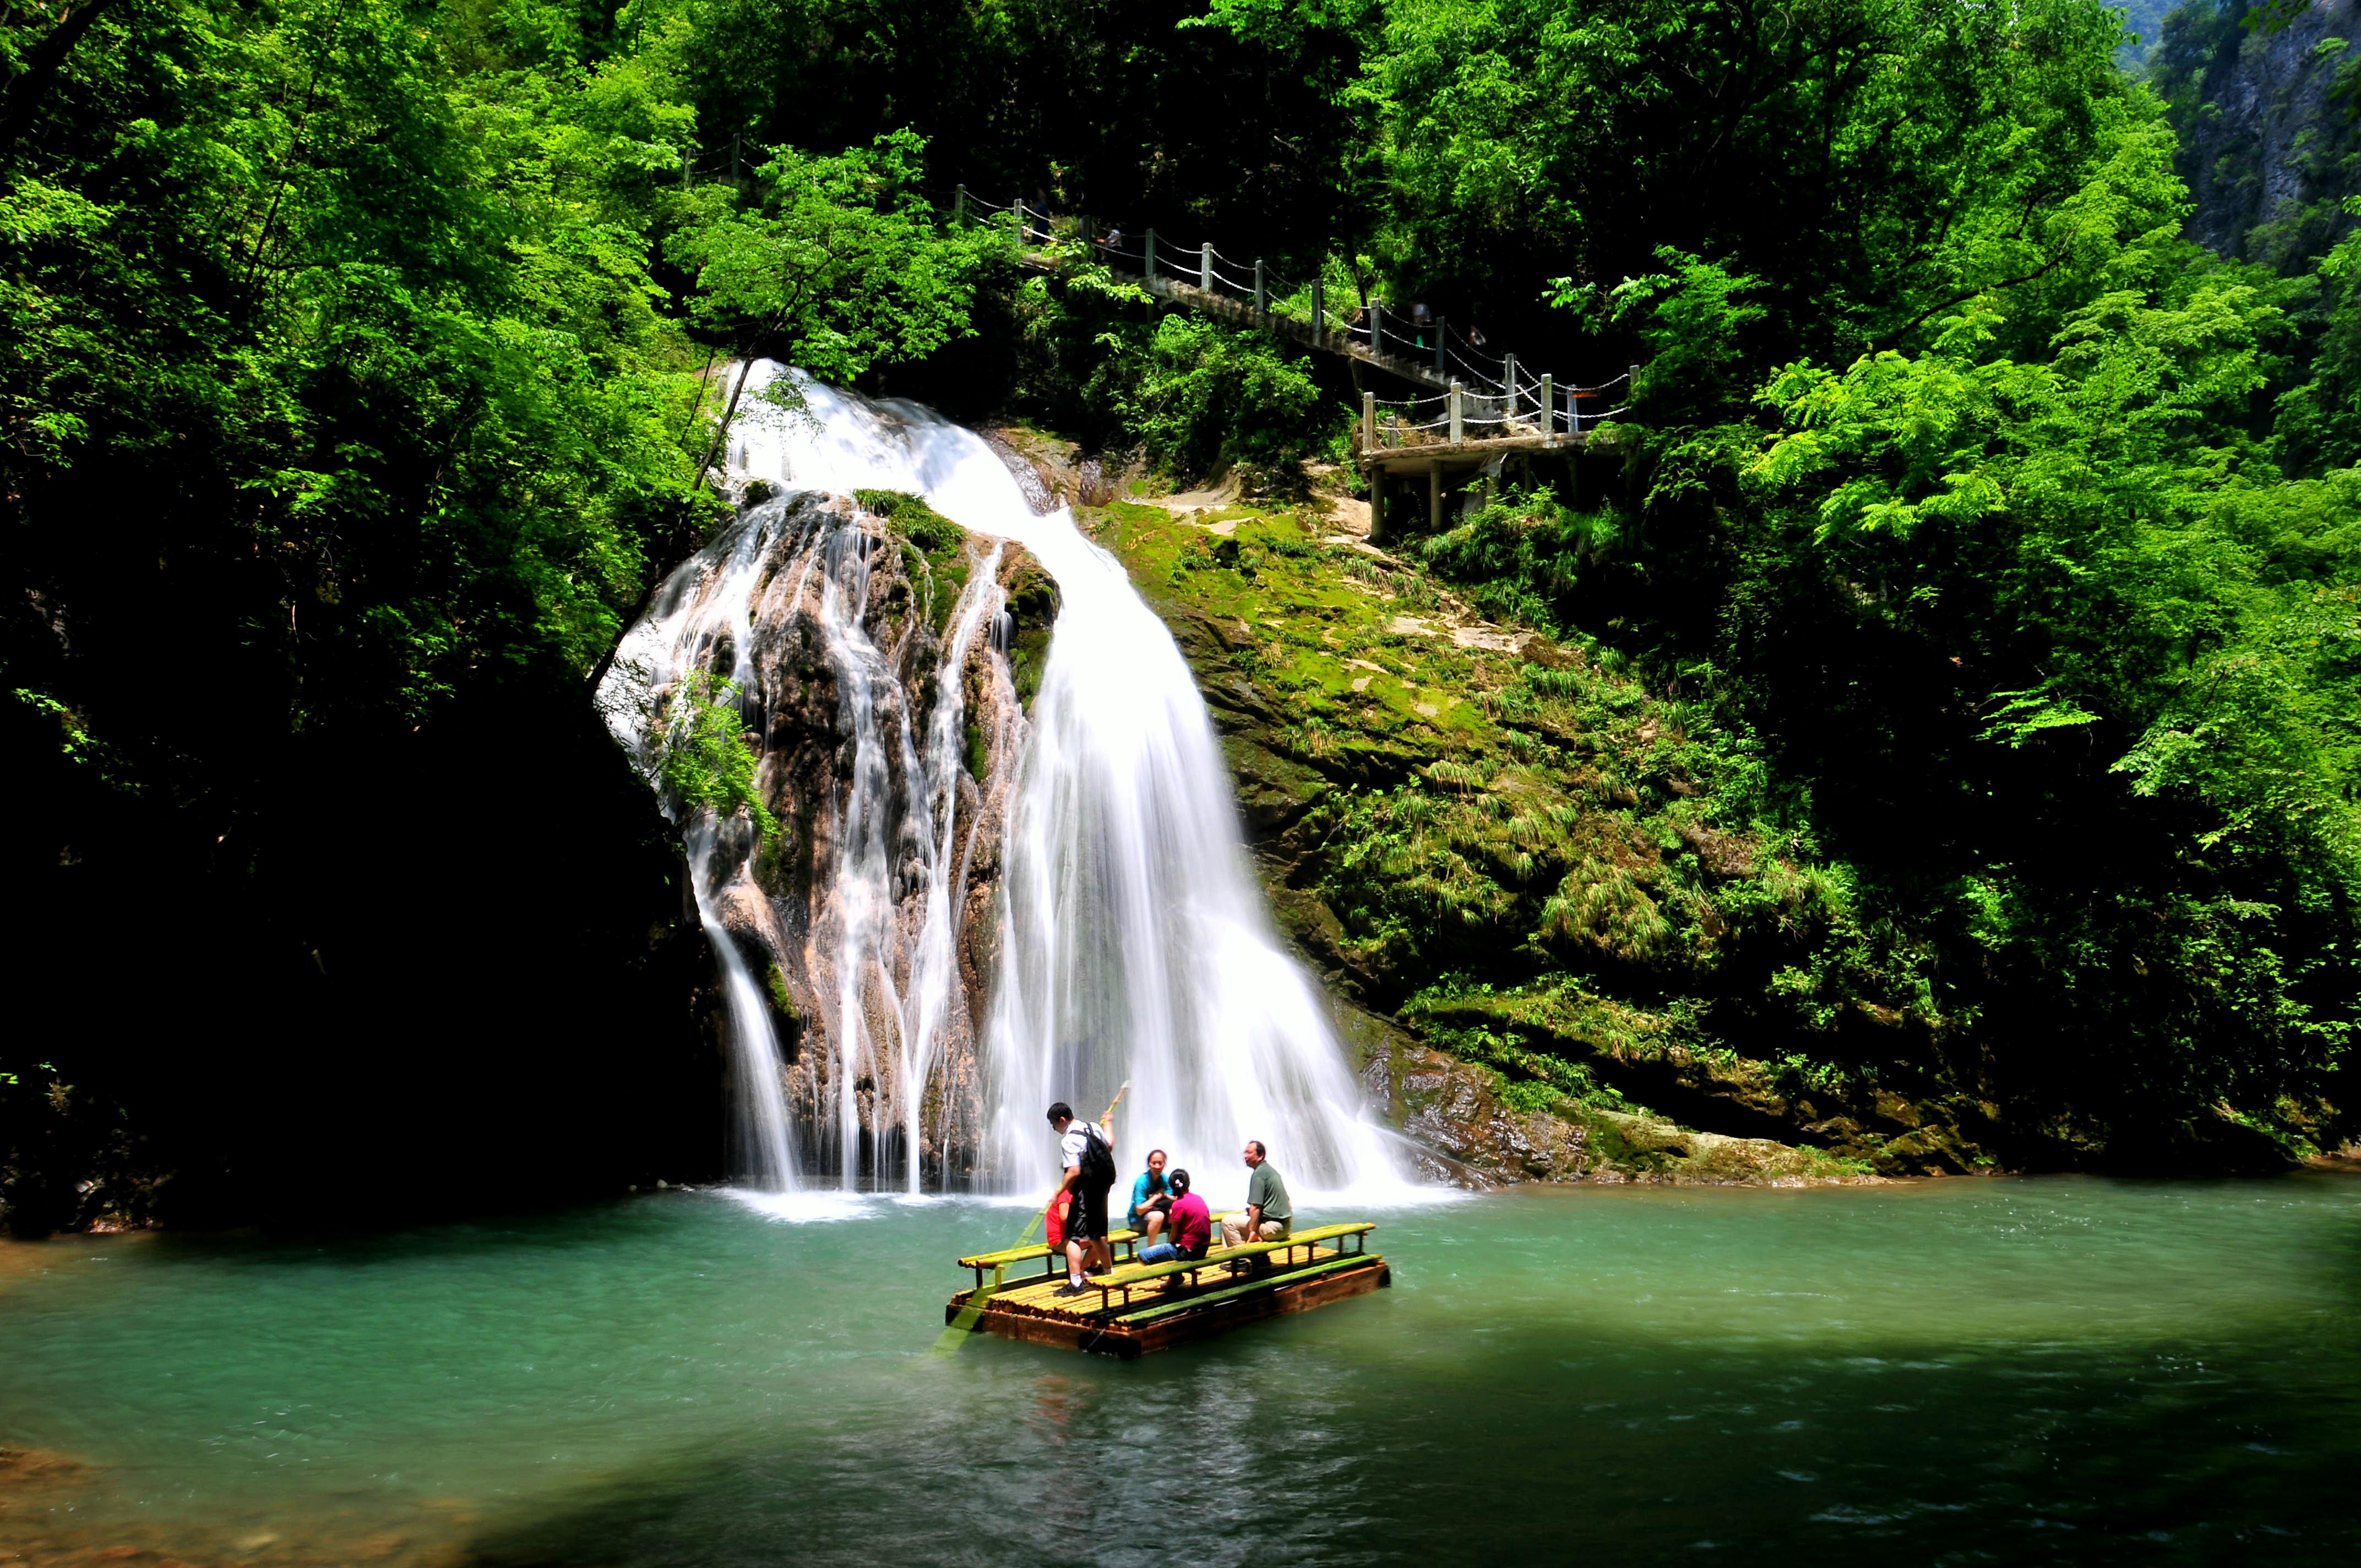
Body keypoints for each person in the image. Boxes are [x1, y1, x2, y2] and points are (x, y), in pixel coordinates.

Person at [1047, 1100, 1118, 1294]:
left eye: (1054, 1125)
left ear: (1062, 1120)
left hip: (1086, 1190)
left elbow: (1073, 1172)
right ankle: (1110, 1274)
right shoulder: (1093, 1127)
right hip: (1103, 1186)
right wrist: (1108, 1122)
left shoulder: (1069, 1140)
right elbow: (1109, 1146)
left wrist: (1057, 1193)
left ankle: (1076, 1283)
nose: (1054, 1129)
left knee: (1073, 1237)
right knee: (1096, 1235)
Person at [1219, 1139, 1292, 1254]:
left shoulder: (1259, 1174)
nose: (1246, 1156)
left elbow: (1256, 1207)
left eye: (1249, 1153)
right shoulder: (1272, 1172)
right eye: (1245, 1153)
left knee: (1228, 1222)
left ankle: (1241, 1260)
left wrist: (1253, 1231)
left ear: (1260, 1156)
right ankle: (1259, 1258)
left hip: (1272, 1229)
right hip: (1285, 1227)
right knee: (1243, 1217)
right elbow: (1288, 1203)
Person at [1135, 1168, 1210, 1265]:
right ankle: (1175, 1278)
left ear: (1171, 1186)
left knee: (1142, 1256)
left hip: (1187, 1252)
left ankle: (1168, 1276)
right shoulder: (1198, 1198)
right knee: (1172, 1246)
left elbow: (1173, 1237)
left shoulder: (1178, 1204)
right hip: (1203, 1250)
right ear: (1189, 1183)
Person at [1127, 1148, 1172, 1244]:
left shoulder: (1164, 1179)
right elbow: (1139, 1210)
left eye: (1160, 1163)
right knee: (1158, 1216)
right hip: (1136, 1220)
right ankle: (1150, 1253)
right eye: (1154, 1163)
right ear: (1149, 1164)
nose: (1157, 1166)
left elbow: (1175, 1199)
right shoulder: (1142, 1181)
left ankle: (1175, 1247)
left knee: (1177, 1212)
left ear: (1165, 1164)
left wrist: (1165, 1196)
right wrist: (1156, 1197)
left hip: (1156, 1215)